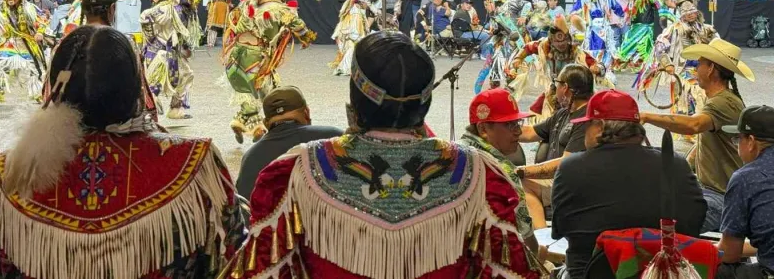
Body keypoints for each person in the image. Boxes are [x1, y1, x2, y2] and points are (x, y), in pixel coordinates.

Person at [234, 32, 545, 279]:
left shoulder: (294, 172)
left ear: (355, 99)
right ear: (424, 103)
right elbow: (511, 269)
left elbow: (261, 268)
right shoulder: (480, 174)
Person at [0, 25, 243, 279]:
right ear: (135, 87)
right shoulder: (196, 166)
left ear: (55, 88)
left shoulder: (6, 180)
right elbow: (232, 261)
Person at [553, 90, 707, 279]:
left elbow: (562, 228)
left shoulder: (570, 167)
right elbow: (694, 224)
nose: (584, 132)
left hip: (589, 274)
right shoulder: (674, 163)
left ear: (600, 126)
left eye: (587, 125)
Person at [642, 38, 754, 232]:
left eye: (699, 64)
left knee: (666, 228)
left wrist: (646, 116)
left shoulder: (722, 102)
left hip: (720, 197)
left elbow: (693, 125)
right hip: (716, 193)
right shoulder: (723, 100)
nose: (695, 70)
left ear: (711, 69)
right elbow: (703, 141)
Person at [223, 0, 319, 143]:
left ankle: (240, 121)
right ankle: (265, 130)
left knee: (245, 91)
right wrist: (306, 38)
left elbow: (233, 21)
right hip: (257, 58)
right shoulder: (277, 8)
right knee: (271, 92)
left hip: (235, 56)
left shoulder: (247, 4)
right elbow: (298, 26)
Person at [516, 64, 594, 229]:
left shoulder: (586, 118)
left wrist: (520, 170)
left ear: (565, 88)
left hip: (573, 184)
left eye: (556, 83)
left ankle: (542, 241)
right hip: (558, 179)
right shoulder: (564, 113)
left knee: (522, 183)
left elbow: (566, 163)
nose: (554, 87)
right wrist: (501, 126)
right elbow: (530, 132)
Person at [235, 86, 343, 201]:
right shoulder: (335, 138)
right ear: (306, 112)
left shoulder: (250, 158)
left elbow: (244, 208)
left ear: (266, 123)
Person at [461, 88, 537, 250]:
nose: (518, 131)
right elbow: (526, 240)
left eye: (517, 123)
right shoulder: (502, 173)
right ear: (483, 129)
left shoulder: (451, 155)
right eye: (509, 124)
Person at [140, 0, 207, 120]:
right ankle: (149, 106)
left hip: (173, 50)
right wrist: (151, 39)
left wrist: (184, 48)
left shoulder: (186, 13)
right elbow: (145, 16)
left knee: (187, 74)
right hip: (159, 50)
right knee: (157, 77)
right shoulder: (167, 10)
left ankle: (175, 109)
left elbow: (181, 34)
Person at [717, 105, 774, 279]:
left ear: (751, 142)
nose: (737, 147)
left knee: (715, 270)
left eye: (737, 140)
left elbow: (729, 254)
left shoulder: (745, 178)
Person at [331, 0, 381, 75]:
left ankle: (347, 68)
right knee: (352, 50)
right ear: (362, 2)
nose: (367, 6)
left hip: (351, 35)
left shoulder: (357, 9)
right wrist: (361, 38)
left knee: (353, 51)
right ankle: (345, 69)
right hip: (351, 35)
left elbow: (372, 9)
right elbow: (354, 30)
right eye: (367, 3)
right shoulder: (355, 13)